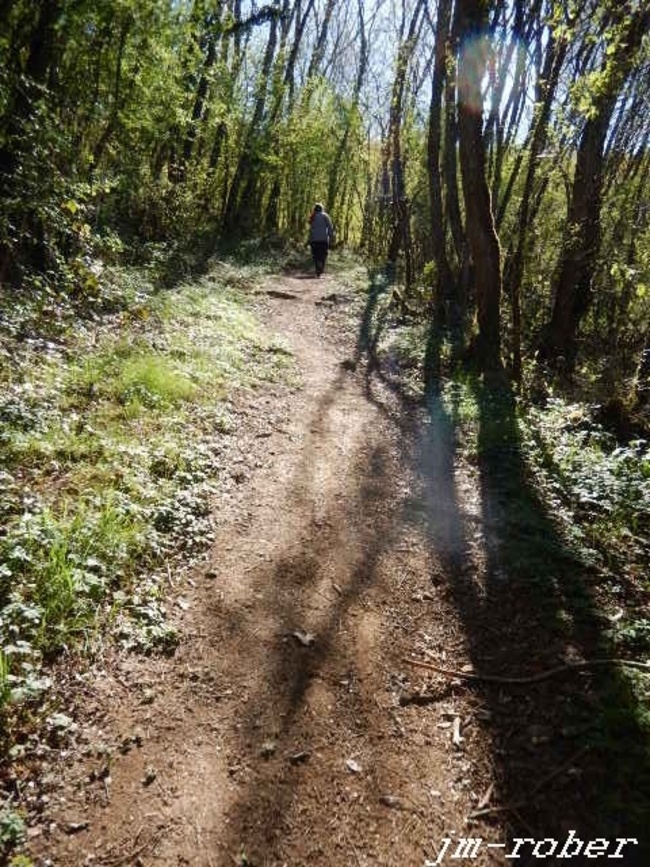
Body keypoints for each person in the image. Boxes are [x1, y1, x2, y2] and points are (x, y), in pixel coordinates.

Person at [308, 203, 335, 277]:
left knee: (315, 254)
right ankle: (321, 267)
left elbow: (310, 229)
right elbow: (330, 227)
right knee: (324, 254)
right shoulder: (325, 216)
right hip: (324, 239)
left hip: (314, 239)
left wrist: (309, 239)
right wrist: (331, 236)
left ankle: (317, 267)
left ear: (315, 209)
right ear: (322, 209)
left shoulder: (313, 216)